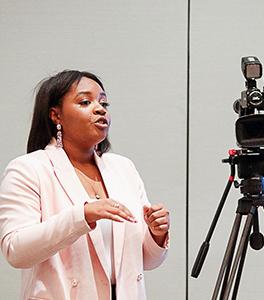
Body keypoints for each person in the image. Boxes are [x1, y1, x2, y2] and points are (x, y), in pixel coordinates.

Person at [0, 70, 170, 300]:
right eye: (85, 101)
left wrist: (156, 233)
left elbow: (147, 261)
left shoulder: (123, 168)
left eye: (103, 102)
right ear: (55, 115)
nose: (100, 109)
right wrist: (82, 216)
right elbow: (16, 251)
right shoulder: (29, 169)